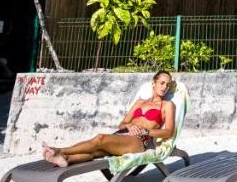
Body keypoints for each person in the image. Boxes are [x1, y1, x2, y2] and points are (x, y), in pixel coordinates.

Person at [42, 70, 177, 167]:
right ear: (154, 83)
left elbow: (169, 132)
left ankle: (59, 150)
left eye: (168, 85)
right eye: (162, 83)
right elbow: (122, 124)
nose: (165, 87)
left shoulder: (167, 105)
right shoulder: (140, 102)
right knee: (95, 152)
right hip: (122, 135)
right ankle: (66, 158)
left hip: (139, 141)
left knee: (101, 138)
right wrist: (128, 125)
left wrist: (145, 131)